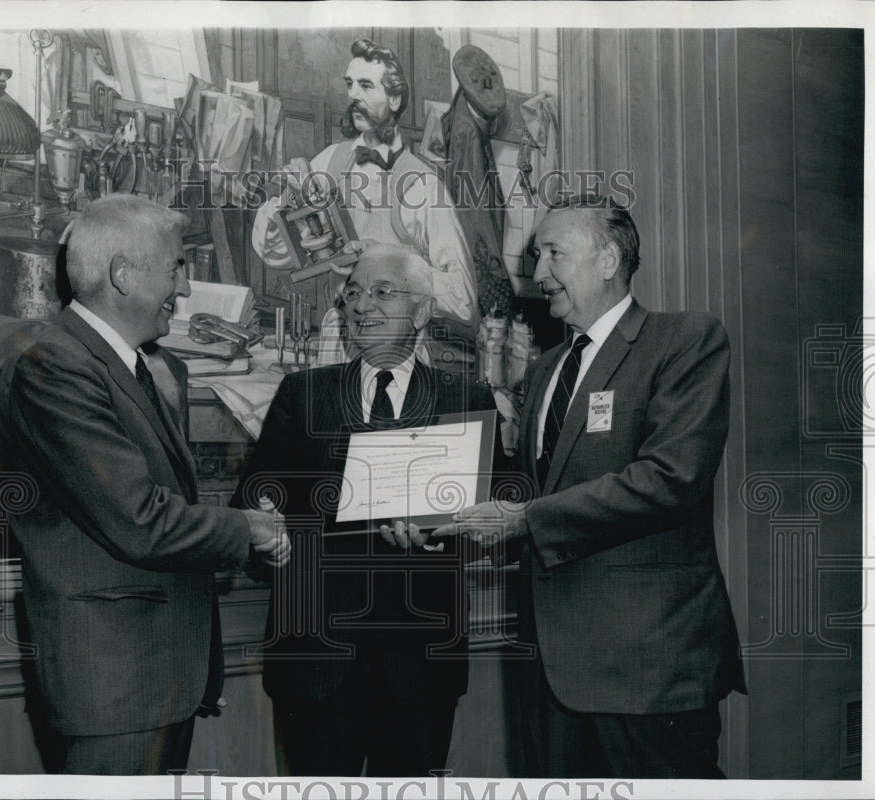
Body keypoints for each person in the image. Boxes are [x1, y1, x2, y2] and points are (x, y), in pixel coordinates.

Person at [432, 195, 746, 778]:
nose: (539, 272)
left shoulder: (683, 341)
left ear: (607, 260)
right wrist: (445, 517)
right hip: (548, 674)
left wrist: (526, 519)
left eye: (554, 253)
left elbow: (669, 479)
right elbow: (536, 493)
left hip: (648, 671)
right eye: (535, 255)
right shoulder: (548, 367)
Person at [0, 194, 290, 775]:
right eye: (178, 267)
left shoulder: (133, 365)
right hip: (115, 690)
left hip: (153, 683)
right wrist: (246, 525)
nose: (184, 290)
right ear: (124, 276)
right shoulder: (53, 366)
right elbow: (139, 518)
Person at [232, 244, 496, 776]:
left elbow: (495, 520)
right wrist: (266, 523)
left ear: (422, 312)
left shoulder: (466, 397)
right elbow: (252, 503)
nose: (361, 305)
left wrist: (440, 533)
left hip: (422, 667)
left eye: (381, 292)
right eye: (353, 293)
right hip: (316, 663)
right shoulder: (302, 394)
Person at [252, 38, 481, 355]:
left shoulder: (424, 186)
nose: (352, 96)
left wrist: (393, 265)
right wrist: (286, 198)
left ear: (395, 98)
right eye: (350, 85)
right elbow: (272, 252)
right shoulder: (330, 160)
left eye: (365, 86)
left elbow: (464, 299)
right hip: (336, 350)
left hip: (399, 356)